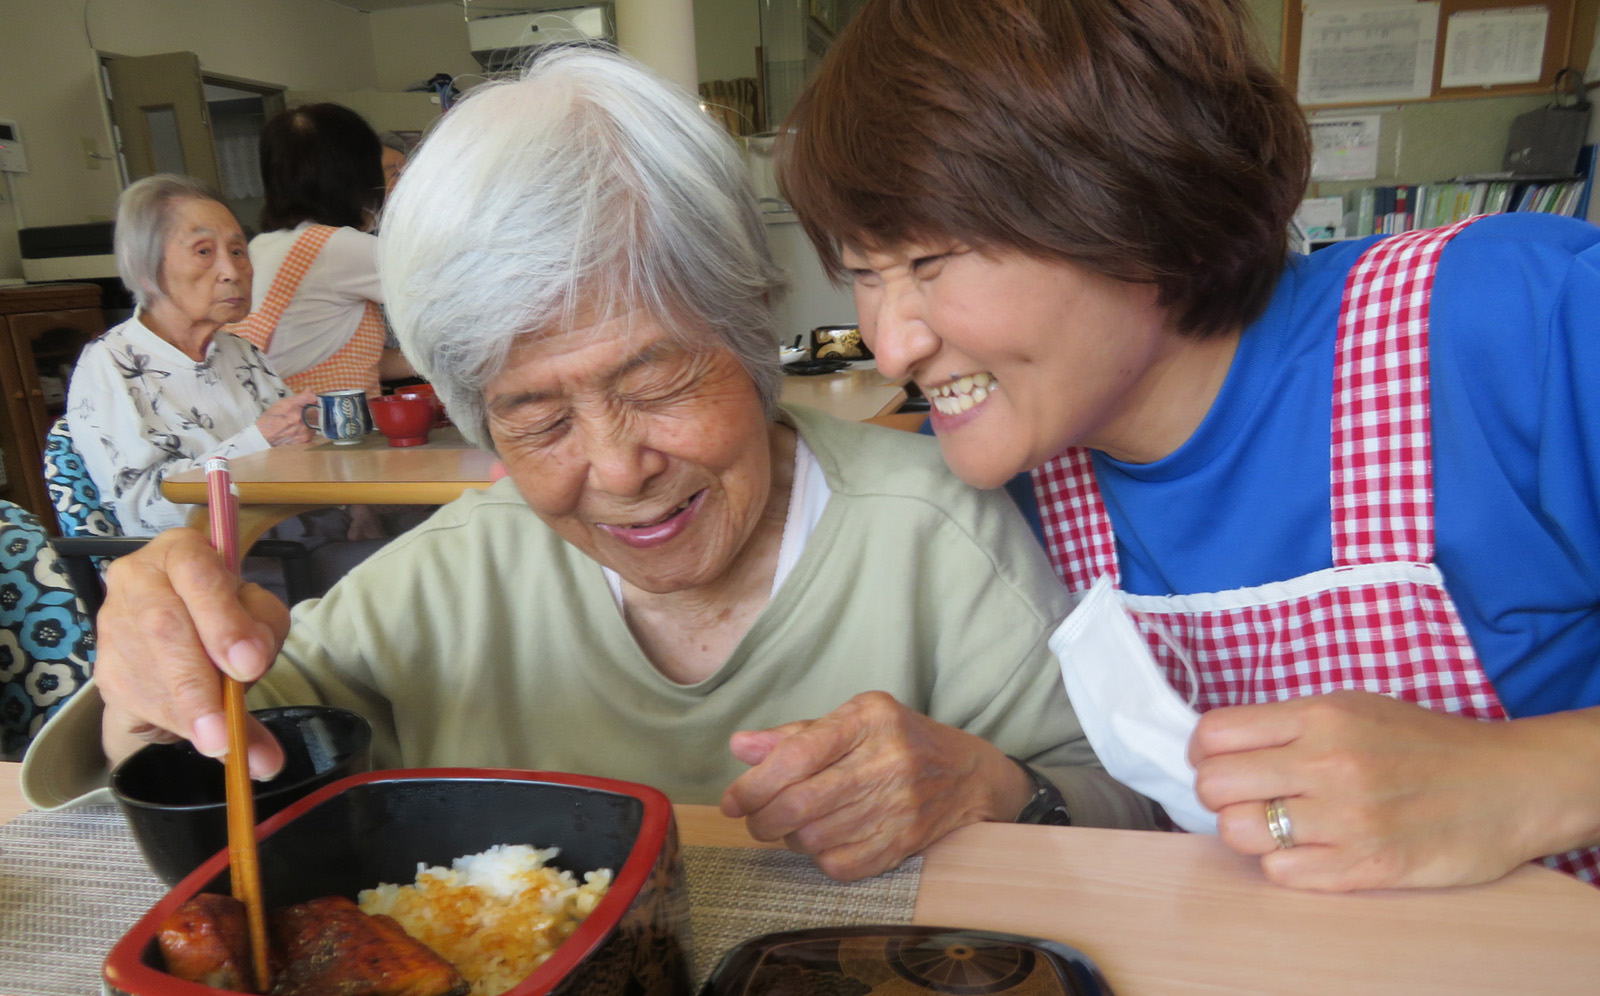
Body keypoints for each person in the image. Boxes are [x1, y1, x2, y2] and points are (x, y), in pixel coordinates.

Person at [23, 48, 1152, 882]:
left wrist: (1007, 789)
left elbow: (1140, 817)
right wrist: (156, 662)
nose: (616, 470)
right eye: (536, 416)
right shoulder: (455, 577)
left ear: (753, 332)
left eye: (658, 382)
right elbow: (199, 758)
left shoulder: (936, 539)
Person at [774, 0, 1600, 891]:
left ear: (1130, 199)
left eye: (929, 262)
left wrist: (1527, 779)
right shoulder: (1013, 488)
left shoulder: (1521, 321)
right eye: (863, 274)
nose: (891, 346)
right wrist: (1001, 786)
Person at [65, 174, 318, 537]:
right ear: (147, 267)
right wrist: (259, 439)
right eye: (203, 251)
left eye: (236, 251)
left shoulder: (241, 352)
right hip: (213, 567)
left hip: (298, 539)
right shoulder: (109, 364)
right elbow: (145, 511)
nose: (231, 272)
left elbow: (298, 455)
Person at [229, 103, 413, 399]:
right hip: (325, 431)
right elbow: (453, 292)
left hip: (287, 426)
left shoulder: (264, 245)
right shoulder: (337, 247)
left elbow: (355, 362)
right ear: (356, 174)